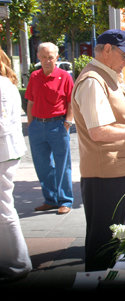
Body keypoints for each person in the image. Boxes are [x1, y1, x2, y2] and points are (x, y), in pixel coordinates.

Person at [71, 29, 125, 271]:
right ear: (107, 50)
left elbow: (114, 126)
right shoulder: (93, 81)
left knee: (111, 240)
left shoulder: (104, 77)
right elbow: (98, 132)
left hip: (114, 172)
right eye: (124, 56)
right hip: (105, 176)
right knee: (103, 243)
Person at [25, 42, 74, 215]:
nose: (47, 61)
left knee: (63, 165)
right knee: (42, 165)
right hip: (37, 126)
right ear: (38, 57)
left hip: (57, 125)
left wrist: (67, 123)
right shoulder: (34, 76)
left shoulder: (64, 77)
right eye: (44, 57)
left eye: (51, 57)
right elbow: (30, 102)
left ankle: (65, 200)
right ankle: (50, 199)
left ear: (57, 57)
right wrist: (31, 124)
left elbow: (71, 102)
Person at [0, 47, 33, 282]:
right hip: (6, 151)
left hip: (4, 153)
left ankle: (18, 264)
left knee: (4, 210)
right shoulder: (7, 84)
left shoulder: (3, 85)